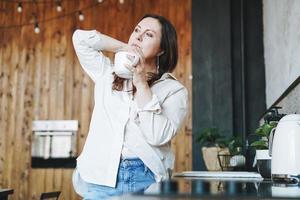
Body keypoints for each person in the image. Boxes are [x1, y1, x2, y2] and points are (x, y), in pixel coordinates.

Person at [72, 13, 188, 199]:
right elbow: (81, 39)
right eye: (136, 31)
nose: (139, 36)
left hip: (144, 178)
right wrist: (126, 48)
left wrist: (141, 83)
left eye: (149, 35)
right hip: (100, 178)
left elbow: (156, 136)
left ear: (161, 50)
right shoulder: (106, 75)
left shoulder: (174, 90)